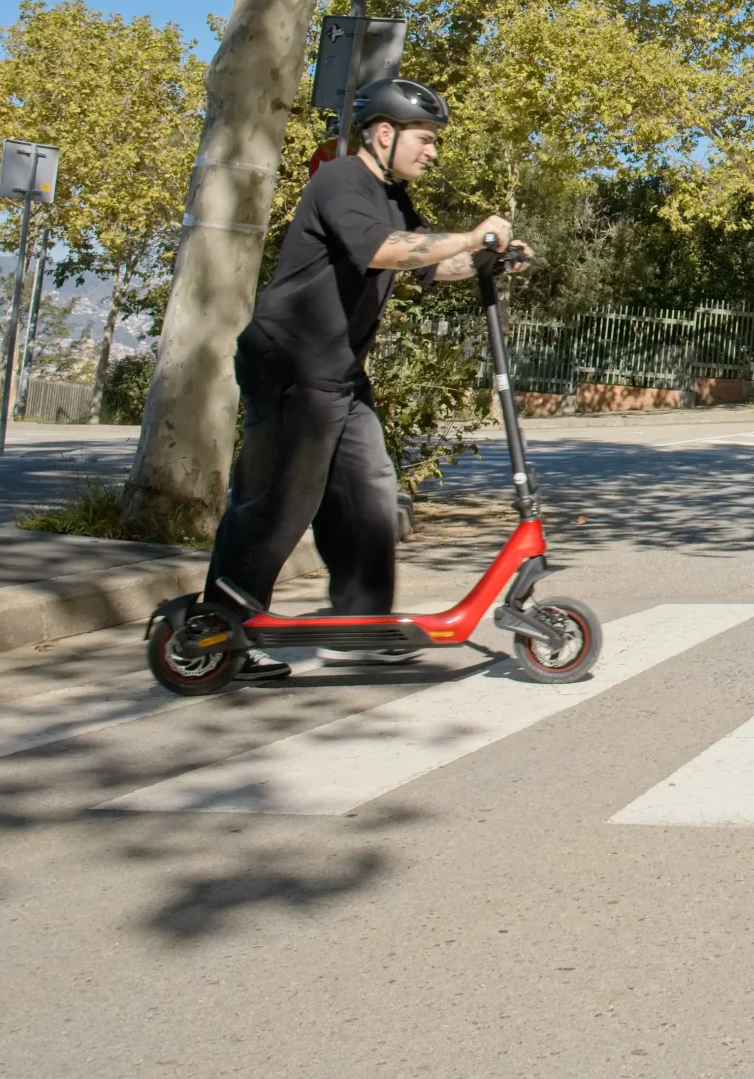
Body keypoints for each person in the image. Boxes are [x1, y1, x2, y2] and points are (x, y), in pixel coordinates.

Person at [202, 79, 526, 678]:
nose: (432, 152)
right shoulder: (341, 181)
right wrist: (470, 233)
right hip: (292, 364)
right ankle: (220, 631)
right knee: (277, 502)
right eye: (424, 139)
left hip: (339, 372)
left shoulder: (393, 198)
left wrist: (487, 258)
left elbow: (429, 265)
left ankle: (362, 625)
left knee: (368, 494)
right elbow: (381, 251)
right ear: (384, 133)